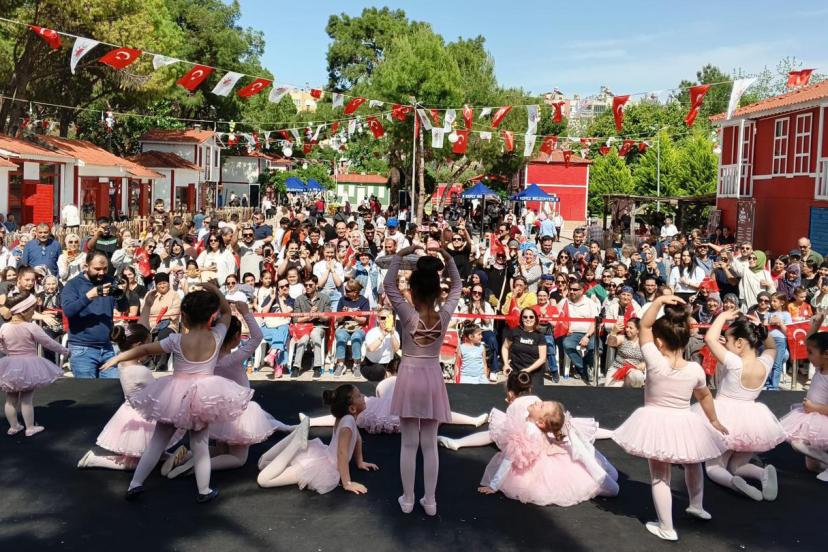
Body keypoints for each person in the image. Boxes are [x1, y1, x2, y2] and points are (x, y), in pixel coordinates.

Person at [100, 284, 252, 503]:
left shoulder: (176, 340)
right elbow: (227, 312)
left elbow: (144, 349)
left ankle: (135, 484)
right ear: (211, 317)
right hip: (203, 395)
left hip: (173, 395)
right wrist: (214, 290)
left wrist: (118, 357)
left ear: (184, 317)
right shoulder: (217, 336)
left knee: (157, 442)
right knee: (200, 445)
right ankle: (204, 490)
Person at [612, 295, 728, 542]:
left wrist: (659, 302)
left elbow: (644, 326)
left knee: (660, 475)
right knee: (693, 462)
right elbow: (705, 396)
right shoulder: (695, 369)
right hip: (685, 420)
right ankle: (696, 505)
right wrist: (714, 420)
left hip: (656, 421)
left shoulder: (654, 361)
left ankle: (666, 526)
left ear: (659, 342)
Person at [166, 302, 296, 479]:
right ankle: (195, 467)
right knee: (238, 459)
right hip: (238, 413)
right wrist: (246, 313)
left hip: (217, 411)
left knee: (221, 450)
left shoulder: (207, 358)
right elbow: (257, 337)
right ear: (236, 337)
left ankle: (187, 456)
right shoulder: (233, 358)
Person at [383, 241, 460, 516]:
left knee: (408, 443)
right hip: (432, 377)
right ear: (437, 292)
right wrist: (448, 258)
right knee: (429, 443)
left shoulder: (407, 314)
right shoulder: (445, 315)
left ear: (413, 292)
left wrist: (400, 255)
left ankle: (408, 499)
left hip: (409, 376)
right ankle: (430, 501)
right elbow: (457, 287)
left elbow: (389, 285)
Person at [695, 311, 786, 500]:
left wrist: (722, 316)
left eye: (727, 341)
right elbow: (771, 347)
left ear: (739, 343)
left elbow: (710, 338)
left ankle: (733, 482)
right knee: (738, 465)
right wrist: (762, 328)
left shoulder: (734, 362)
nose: (725, 344)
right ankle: (762, 474)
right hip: (752, 420)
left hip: (724, 417)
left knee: (714, 467)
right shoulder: (765, 363)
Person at [77, 324, 186, 471]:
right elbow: (157, 394)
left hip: (129, 412)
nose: (149, 350)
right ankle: (94, 460)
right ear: (139, 346)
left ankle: (166, 457)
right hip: (142, 417)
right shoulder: (140, 371)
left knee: (150, 452)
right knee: (135, 463)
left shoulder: (123, 364)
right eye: (148, 345)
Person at [476, 398, 619, 506]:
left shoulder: (528, 429)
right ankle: (601, 470)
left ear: (540, 422)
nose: (537, 402)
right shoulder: (533, 426)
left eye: (541, 406)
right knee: (597, 476)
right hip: (548, 456)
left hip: (541, 467)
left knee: (603, 485)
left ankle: (600, 474)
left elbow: (509, 458)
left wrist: (494, 484)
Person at [303, 362, 487, 434]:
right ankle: (472, 421)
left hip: (391, 404)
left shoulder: (362, 409)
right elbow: (338, 418)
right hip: (396, 409)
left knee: (436, 413)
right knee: (437, 414)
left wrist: (311, 421)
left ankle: (309, 421)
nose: (363, 396)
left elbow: (338, 417)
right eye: (359, 396)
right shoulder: (360, 416)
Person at [257, 385, 378, 494]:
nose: (363, 396)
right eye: (359, 396)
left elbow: (358, 439)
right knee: (264, 480)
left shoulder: (347, 418)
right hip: (323, 466)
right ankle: (296, 443)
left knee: (264, 464)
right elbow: (342, 453)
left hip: (322, 456)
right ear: (352, 408)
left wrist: (360, 462)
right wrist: (347, 483)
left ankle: (295, 437)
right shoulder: (348, 422)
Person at [0, 292, 69, 437]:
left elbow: (1, 345)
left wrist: (9, 352)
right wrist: (64, 351)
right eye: (32, 309)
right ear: (23, 311)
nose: (34, 312)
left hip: (10, 364)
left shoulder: (4, 327)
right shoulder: (31, 327)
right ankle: (30, 428)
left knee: (10, 399)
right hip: (28, 364)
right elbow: (48, 342)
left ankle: (14, 427)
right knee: (26, 399)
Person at [61, 252, 130, 379]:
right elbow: (68, 311)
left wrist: (121, 294)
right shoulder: (73, 285)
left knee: (112, 388)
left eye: (105, 268)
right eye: (97, 269)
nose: (102, 273)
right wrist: (90, 295)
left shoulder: (110, 281)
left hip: (107, 347)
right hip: (82, 348)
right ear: (85, 267)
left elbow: (123, 308)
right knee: (88, 390)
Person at [780, 313, 828, 481]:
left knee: (797, 443)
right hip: (811, 417)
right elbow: (809, 342)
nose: (807, 356)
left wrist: (814, 408)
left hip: (822, 419)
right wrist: (815, 326)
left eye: (811, 353)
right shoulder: (821, 367)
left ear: (826, 354)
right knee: (811, 466)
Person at [291, 275, 331, 379]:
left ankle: (317, 367)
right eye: (306, 285)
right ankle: (296, 367)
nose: (308, 287)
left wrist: (318, 313)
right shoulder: (299, 299)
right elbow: (295, 319)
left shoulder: (325, 298)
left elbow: (327, 317)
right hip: (303, 327)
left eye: (310, 285)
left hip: (319, 326)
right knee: (303, 339)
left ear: (316, 285)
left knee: (315, 335)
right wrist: (309, 316)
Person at [502, 307, 547, 390]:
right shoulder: (514, 331)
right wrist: (506, 364)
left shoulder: (539, 335)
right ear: (521, 319)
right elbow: (505, 347)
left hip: (534, 372)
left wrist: (527, 370)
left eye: (531, 317)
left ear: (535, 319)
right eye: (525, 317)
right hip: (516, 370)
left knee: (534, 396)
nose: (528, 319)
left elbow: (542, 358)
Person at [333, 280, 370, 378]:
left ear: (355, 292)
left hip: (359, 327)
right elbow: (338, 319)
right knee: (340, 336)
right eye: (345, 289)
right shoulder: (342, 300)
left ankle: (356, 364)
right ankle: (341, 364)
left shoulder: (364, 301)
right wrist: (343, 314)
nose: (345, 292)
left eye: (348, 290)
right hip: (344, 326)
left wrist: (352, 315)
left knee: (356, 337)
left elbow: (364, 320)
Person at [605, 318, 645, 388]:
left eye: (630, 328)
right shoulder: (622, 338)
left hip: (633, 371)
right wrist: (613, 332)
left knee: (638, 376)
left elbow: (650, 357)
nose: (627, 330)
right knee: (610, 391)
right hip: (618, 369)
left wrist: (644, 364)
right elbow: (611, 343)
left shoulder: (643, 342)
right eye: (627, 327)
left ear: (638, 330)